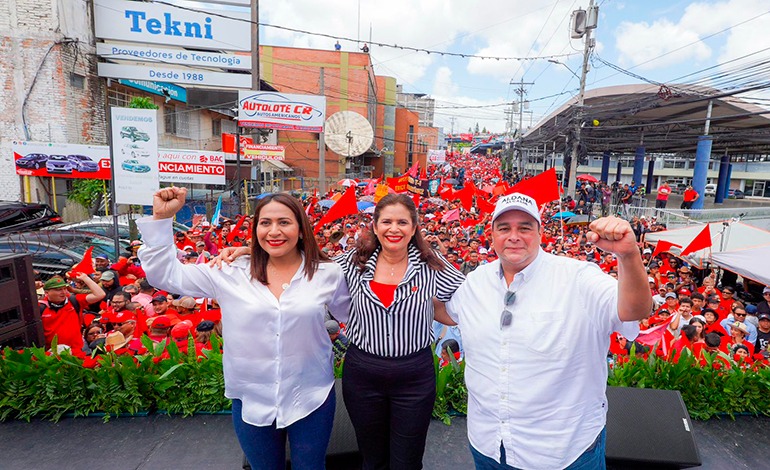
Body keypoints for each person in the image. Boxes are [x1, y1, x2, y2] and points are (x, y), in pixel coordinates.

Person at [137, 188, 351, 470]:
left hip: (311, 395)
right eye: (265, 223)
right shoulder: (228, 272)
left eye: (284, 222)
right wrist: (161, 220)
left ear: (301, 229)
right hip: (252, 398)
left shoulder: (327, 273)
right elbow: (165, 275)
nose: (274, 231)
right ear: (256, 230)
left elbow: (358, 315)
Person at [442, 193, 651, 469]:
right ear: (491, 235)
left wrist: (628, 255)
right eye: (504, 228)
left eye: (525, 228)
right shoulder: (476, 282)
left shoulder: (579, 277)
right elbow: (446, 312)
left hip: (564, 453)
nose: (514, 236)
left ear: (540, 233)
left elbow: (634, 310)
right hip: (488, 446)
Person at [335, 193, 465, 469]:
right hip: (363, 374)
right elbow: (305, 269)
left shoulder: (433, 266)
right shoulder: (352, 262)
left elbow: (474, 294)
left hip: (413, 376)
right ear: (375, 225)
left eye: (402, 222)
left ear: (414, 228)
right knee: (371, 459)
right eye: (387, 222)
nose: (394, 229)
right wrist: (251, 251)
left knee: (407, 460)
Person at [40, 273, 105, 351]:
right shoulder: (40, 307)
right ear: (47, 293)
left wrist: (85, 278)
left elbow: (100, 294)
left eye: (65, 288)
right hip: (52, 354)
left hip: (76, 351)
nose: (63, 292)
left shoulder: (74, 301)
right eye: (58, 290)